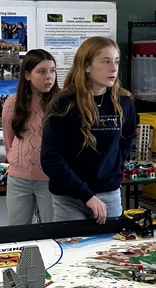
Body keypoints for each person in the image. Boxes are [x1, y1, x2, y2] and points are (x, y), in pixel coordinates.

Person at [40, 37, 137, 224]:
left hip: (108, 193)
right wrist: (86, 195)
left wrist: (115, 167)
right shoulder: (63, 105)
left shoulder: (124, 103)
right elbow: (50, 159)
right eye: (106, 61)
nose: (113, 68)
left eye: (116, 62)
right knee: (73, 251)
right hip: (69, 198)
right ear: (86, 66)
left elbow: (127, 138)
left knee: (110, 251)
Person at [2, 48, 58, 225]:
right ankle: (29, 256)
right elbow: (8, 140)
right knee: (18, 234)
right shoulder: (13, 102)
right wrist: (18, 163)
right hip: (19, 179)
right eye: (41, 72)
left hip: (51, 179)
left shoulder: (62, 102)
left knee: (53, 233)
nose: (49, 77)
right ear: (27, 75)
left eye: (52, 71)